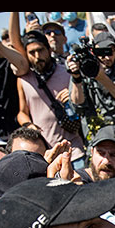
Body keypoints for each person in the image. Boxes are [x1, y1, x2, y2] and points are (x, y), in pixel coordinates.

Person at [16, 30, 86, 168]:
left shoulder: (66, 72)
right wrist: (28, 126)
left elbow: (83, 102)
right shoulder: (24, 80)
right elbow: (22, 112)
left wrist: (72, 93)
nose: (37, 57)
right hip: (47, 155)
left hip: (74, 149)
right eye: (32, 53)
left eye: (40, 50)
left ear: (48, 49)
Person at [67, 32, 115, 131]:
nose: (107, 58)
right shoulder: (82, 72)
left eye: (110, 52)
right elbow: (78, 107)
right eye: (102, 52)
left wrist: (101, 77)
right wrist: (76, 78)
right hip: (95, 134)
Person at [75, 124, 115, 190]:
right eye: (101, 153)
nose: (106, 161)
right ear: (92, 153)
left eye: (113, 155)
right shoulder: (77, 183)